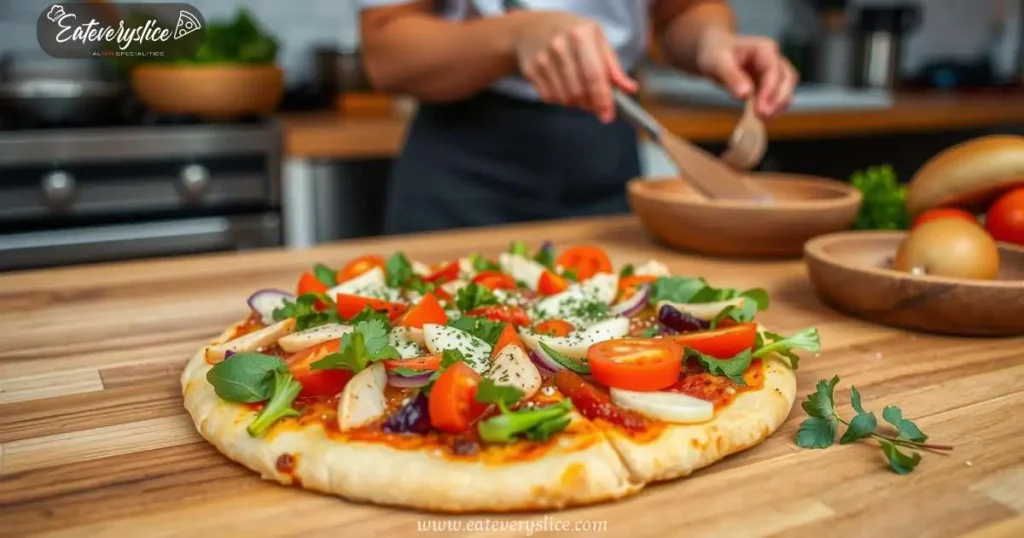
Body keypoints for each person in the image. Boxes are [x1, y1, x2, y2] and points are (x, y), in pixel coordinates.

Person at [359, 0, 798, 235]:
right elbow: (386, 53)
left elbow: (680, 11)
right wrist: (513, 35)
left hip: (605, 144)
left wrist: (713, 41)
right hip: (463, 160)